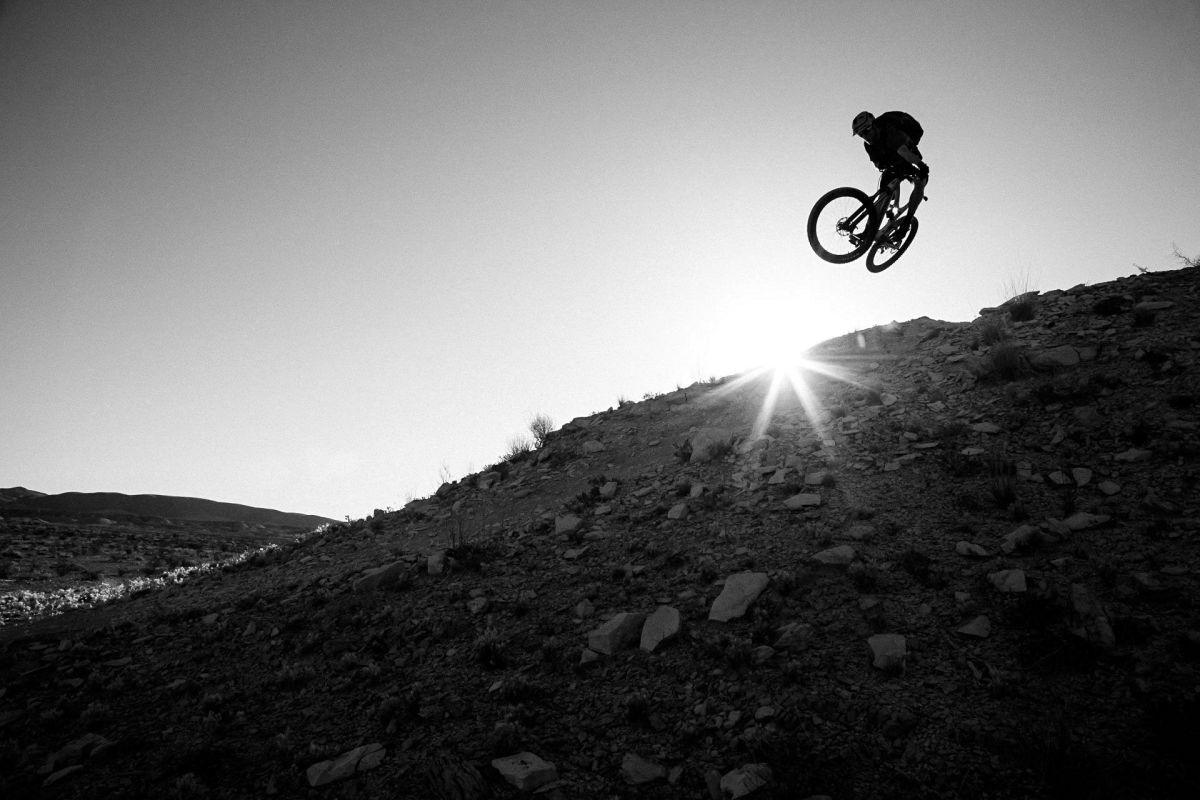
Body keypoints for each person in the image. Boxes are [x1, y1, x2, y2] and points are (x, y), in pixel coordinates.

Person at [852, 110, 929, 221]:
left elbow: (904, 152)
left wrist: (921, 166)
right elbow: (878, 164)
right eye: (861, 134)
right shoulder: (868, 145)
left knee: (921, 179)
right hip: (891, 158)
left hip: (905, 148)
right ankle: (869, 231)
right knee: (884, 193)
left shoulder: (890, 131)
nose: (865, 136)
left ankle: (907, 221)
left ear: (873, 125)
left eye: (866, 131)